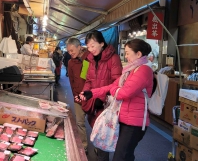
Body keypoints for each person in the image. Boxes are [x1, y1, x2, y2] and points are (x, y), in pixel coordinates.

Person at [79, 38, 154, 161]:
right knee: (125, 154)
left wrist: (116, 90)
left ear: (139, 54)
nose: (126, 56)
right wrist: (92, 93)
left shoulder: (144, 70)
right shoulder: (130, 70)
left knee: (121, 156)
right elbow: (112, 86)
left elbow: (124, 93)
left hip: (135, 122)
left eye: (128, 53)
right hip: (124, 118)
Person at [78, 31, 122, 161]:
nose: (90, 50)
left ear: (102, 43)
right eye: (88, 47)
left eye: (93, 46)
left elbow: (117, 83)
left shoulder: (113, 58)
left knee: (104, 137)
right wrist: (85, 94)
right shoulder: (90, 60)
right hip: (94, 103)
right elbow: (88, 81)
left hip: (107, 106)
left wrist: (101, 98)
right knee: (97, 135)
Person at [66, 38, 90, 153]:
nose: (70, 53)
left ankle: (100, 150)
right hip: (78, 96)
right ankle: (83, 145)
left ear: (79, 47)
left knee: (95, 123)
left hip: (91, 96)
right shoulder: (71, 62)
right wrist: (75, 95)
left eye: (72, 50)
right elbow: (71, 80)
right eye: (68, 51)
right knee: (80, 122)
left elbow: (89, 79)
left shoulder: (89, 58)